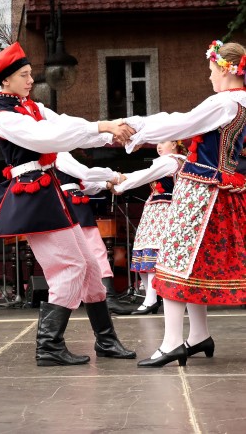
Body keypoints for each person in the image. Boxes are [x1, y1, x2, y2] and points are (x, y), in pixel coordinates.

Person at [0, 42, 137, 366]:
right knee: (70, 267)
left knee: (89, 265)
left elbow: (63, 126)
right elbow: (49, 139)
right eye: (24, 75)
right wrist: (102, 127)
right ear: (5, 81)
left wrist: (108, 135)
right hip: (32, 197)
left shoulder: (32, 108)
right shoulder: (6, 118)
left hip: (49, 193)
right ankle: (48, 346)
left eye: (31, 73)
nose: (31, 79)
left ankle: (106, 340)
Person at [123, 40, 246, 367]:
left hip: (202, 194)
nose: (209, 78)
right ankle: (198, 335)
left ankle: (173, 341)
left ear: (225, 68)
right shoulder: (242, 104)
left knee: (173, 263)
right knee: (195, 264)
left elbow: (183, 123)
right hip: (226, 191)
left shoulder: (224, 103)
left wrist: (134, 129)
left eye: (211, 70)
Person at [54, 151, 134, 315]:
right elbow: (85, 174)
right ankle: (107, 298)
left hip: (59, 204)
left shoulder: (47, 155)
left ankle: (73, 301)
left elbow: (82, 184)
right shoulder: (60, 154)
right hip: (72, 204)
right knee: (95, 250)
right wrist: (114, 176)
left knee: (72, 256)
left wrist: (106, 185)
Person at [112, 140, 187, 315]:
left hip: (165, 210)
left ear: (175, 144)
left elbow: (144, 176)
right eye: (157, 143)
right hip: (154, 209)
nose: (159, 146)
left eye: (163, 142)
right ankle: (150, 298)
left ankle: (152, 299)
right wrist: (119, 177)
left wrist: (121, 184)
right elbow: (143, 173)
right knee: (144, 252)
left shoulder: (172, 161)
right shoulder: (163, 162)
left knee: (153, 252)